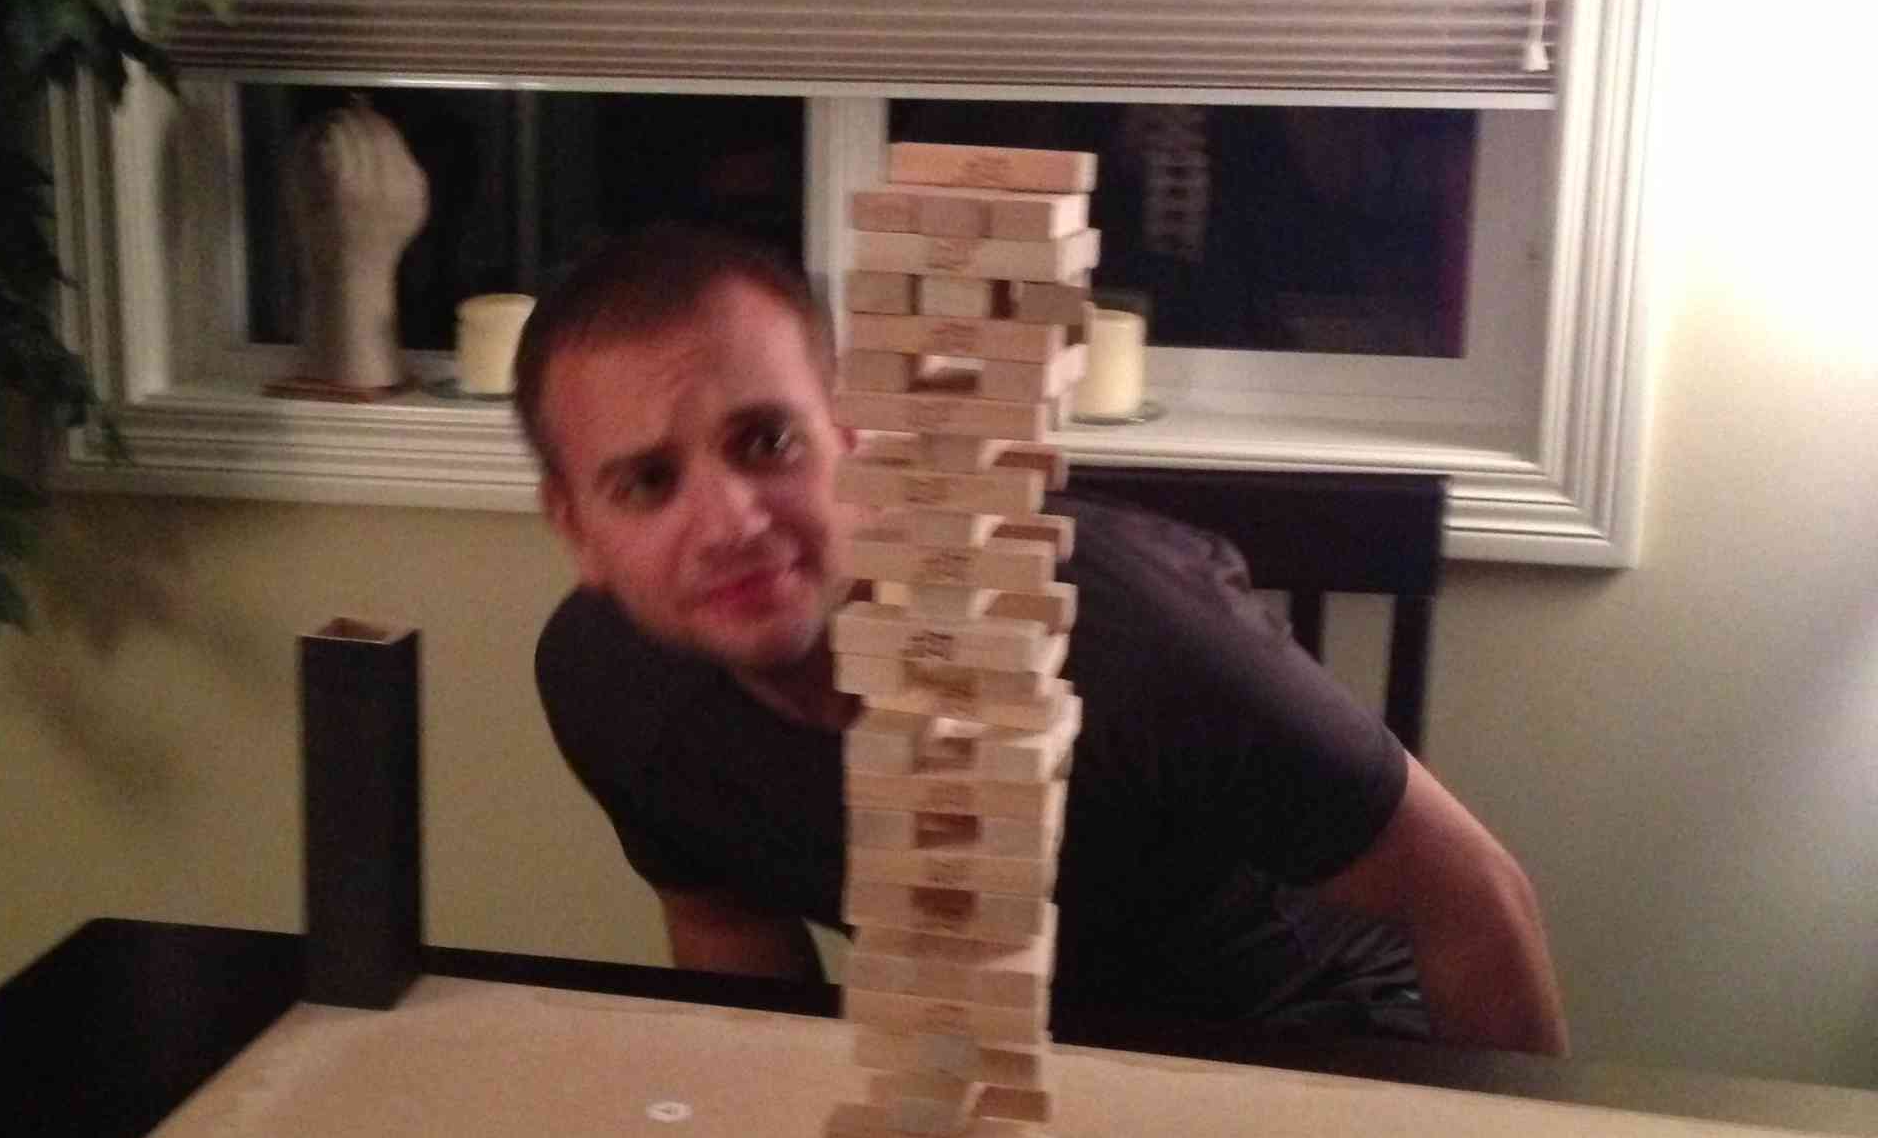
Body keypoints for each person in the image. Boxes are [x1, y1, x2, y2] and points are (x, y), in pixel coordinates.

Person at [515, 224, 1568, 1057]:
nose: (732, 521)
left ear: (851, 438)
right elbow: (725, 925)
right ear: (577, 528)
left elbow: (1468, 890)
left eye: (767, 440)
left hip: (1294, 1027)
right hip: (990, 1067)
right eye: (646, 481)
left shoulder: (1126, 632)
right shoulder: (605, 683)